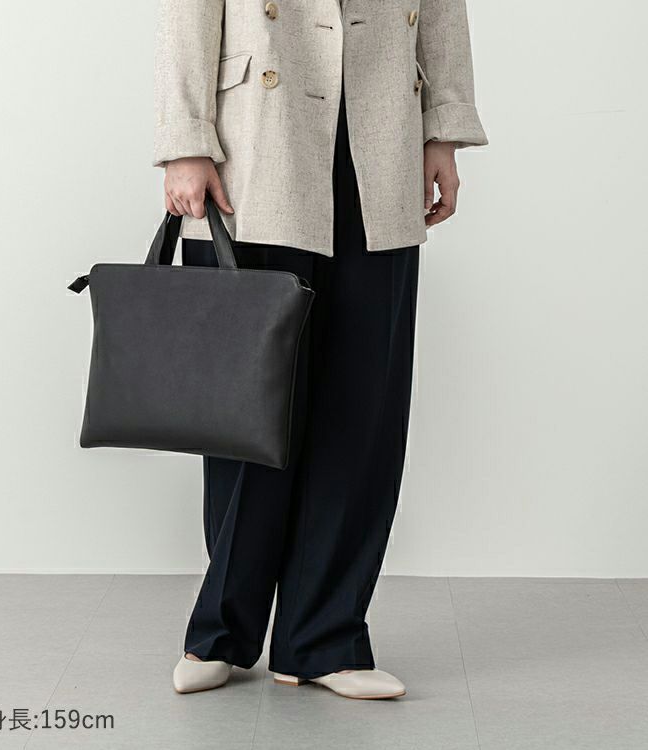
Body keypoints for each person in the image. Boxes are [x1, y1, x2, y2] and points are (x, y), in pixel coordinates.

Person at [153, 0, 487, 700]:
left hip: (381, 127)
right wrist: (187, 141)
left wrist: (443, 129)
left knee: (361, 406)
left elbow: (441, 8)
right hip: (254, 139)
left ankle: (324, 639)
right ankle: (221, 632)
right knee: (249, 411)